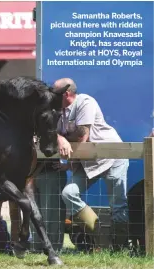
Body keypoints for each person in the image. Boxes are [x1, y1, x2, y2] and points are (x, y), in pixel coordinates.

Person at [53, 78, 130, 251]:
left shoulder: (85, 102)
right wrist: (59, 138)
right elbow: (53, 134)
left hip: (111, 157)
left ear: (67, 93)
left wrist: (62, 137)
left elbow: (82, 137)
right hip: (87, 163)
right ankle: (100, 237)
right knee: (68, 193)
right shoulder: (60, 111)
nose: (52, 96)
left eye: (55, 93)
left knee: (118, 205)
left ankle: (121, 249)